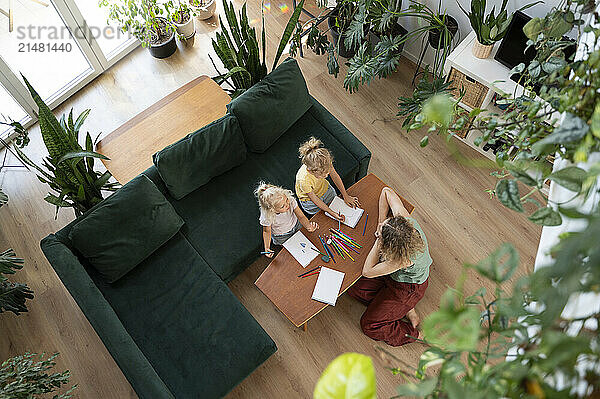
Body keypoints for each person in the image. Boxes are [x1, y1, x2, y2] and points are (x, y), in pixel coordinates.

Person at [348, 187, 432, 346]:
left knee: (369, 324)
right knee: (352, 286)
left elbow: (367, 272)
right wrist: (382, 223)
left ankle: (417, 334)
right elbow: (386, 191)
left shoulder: (402, 260)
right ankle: (403, 309)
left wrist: (379, 240)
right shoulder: (406, 222)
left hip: (407, 289)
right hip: (394, 278)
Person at [295, 137, 360, 219]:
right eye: (322, 175)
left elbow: (335, 176)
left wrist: (345, 195)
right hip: (310, 201)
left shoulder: (325, 162)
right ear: (311, 171)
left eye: (327, 173)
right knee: (324, 218)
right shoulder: (303, 180)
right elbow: (314, 199)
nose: (326, 176)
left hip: (325, 190)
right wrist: (331, 213)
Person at [255, 182, 318, 258]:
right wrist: (267, 247)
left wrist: (308, 226)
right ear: (272, 210)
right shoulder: (267, 216)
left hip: (296, 224)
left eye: (286, 200)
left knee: (306, 241)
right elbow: (266, 231)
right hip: (282, 236)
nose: (287, 205)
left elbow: (301, 216)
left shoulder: (290, 200)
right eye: (282, 206)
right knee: (293, 251)